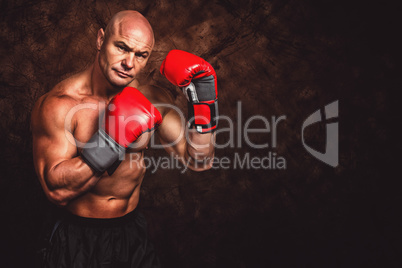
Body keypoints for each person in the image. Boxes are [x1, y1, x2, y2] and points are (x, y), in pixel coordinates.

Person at [31, 10, 218, 267]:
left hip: (130, 233)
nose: (129, 63)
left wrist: (203, 101)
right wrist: (111, 141)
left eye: (141, 55)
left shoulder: (152, 98)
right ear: (100, 40)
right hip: (76, 238)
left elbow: (199, 160)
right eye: (121, 47)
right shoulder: (59, 105)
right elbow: (57, 191)